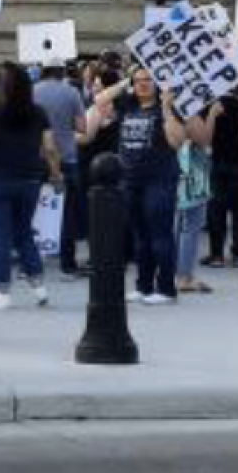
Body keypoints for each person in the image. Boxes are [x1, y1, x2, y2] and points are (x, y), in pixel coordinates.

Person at [0, 62, 60, 309]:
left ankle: (3, 290)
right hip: (30, 179)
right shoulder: (38, 112)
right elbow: (49, 147)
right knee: (24, 231)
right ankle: (39, 287)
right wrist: (56, 174)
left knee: (0, 234)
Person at [91, 68, 187, 304]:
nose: (143, 85)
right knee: (140, 235)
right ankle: (143, 285)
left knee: (160, 235)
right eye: (139, 81)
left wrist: (165, 107)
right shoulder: (128, 104)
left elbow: (176, 142)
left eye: (148, 80)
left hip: (160, 179)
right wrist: (126, 81)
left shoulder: (169, 107)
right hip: (131, 180)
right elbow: (100, 100)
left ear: (157, 84)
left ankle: (165, 288)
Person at [33, 60, 88, 278]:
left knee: (34, 211)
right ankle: (68, 264)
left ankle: (31, 262)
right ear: (62, 71)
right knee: (68, 214)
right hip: (67, 157)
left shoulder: (31, 91)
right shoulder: (72, 92)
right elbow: (82, 127)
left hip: (36, 158)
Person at [204, 87, 238, 268]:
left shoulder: (211, 105)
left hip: (217, 163)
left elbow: (206, 139)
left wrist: (211, 115)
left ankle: (217, 255)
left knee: (216, 211)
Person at [175, 131, 214, 294]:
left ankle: (173, 274)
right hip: (192, 172)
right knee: (191, 227)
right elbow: (205, 137)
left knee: (176, 226)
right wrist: (212, 113)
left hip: (175, 169)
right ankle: (184, 276)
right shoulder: (193, 109)